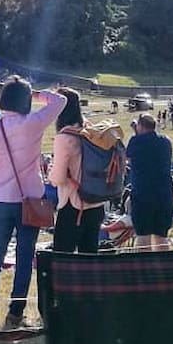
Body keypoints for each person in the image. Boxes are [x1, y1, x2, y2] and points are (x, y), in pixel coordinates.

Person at [0, 78, 66, 330]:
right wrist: (37, 94)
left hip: (0, 198)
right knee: (25, 257)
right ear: (24, 100)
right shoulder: (33, 122)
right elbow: (61, 100)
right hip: (31, 199)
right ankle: (15, 313)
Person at [48, 88, 105, 254]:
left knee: (63, 256)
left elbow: (58, 178)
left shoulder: (64, 137)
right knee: (89, 255)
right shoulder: (91, 130)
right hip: (96, 201)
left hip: (73, 204)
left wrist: (50, 172)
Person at [126, 113, 173, 251]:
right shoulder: (165, 141)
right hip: (164, 193)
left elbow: (128, 158)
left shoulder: (136, 141)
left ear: (140, 126)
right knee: (161, 237)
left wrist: (136, 135)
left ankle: (144, 269)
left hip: (143, 193)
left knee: (143, 236)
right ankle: (163, 267)